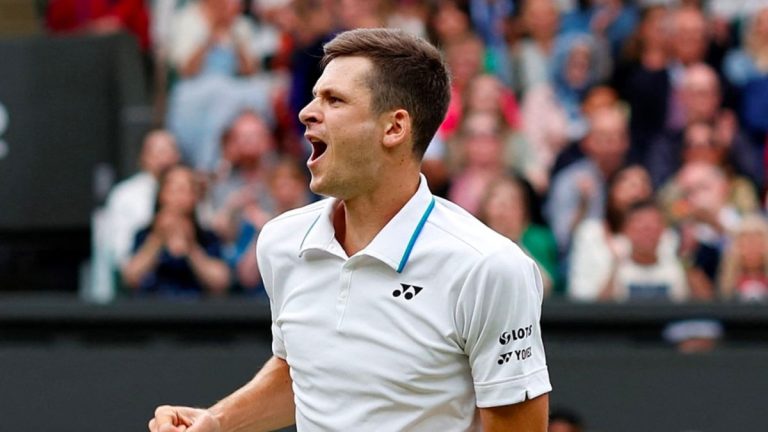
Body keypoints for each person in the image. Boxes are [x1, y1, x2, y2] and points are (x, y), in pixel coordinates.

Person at [149, 28, 550, 431]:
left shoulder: (490, 267)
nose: (307, 112)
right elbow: (305, 373)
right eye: (314, 96)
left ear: (394, 128)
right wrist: (217, 421)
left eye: (334, 100)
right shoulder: (281, 241)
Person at [123, 165, 230, 297]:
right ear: (162, 194)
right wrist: (157, 240)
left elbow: (221, 281)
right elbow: (130, 277)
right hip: (153, 305)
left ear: (195, 197)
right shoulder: (144, 234)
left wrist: (191, 248)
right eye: (174, 190)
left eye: (185, 190)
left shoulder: (207, 237)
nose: (179, 197)